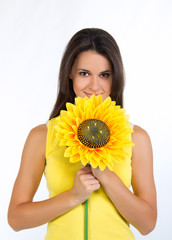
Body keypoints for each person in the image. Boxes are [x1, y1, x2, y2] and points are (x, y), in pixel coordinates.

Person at [8, 28, 157, 239]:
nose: (94, 86)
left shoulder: (136, 138)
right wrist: (72, 196)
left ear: (116, 78)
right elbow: (15, 219)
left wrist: (105, 175)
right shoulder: (42, 136)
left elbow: (147, 224)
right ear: (70, 73)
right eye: (84, 73)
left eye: (104, 75)